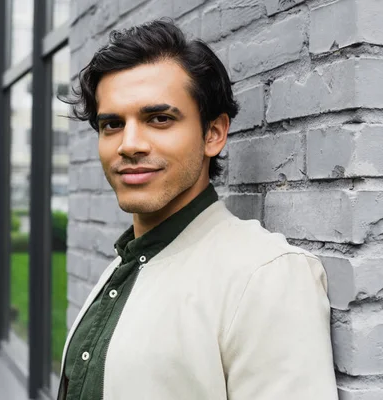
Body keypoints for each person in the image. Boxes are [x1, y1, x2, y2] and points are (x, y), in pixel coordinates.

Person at [58, 19, 338, 400]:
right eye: (111, 124)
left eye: (159, 119)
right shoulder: (124, 265)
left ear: (213, 134)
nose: (129, 144)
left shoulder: (265, 277)